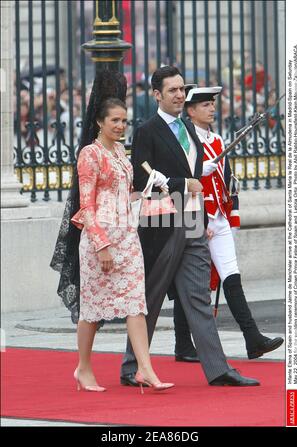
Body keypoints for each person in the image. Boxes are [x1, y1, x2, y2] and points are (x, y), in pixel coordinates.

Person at [120, 65, 260, 387]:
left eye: (182, 89)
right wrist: (182, 183)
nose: (180, 95)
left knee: (198, 295)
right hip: (161, 222)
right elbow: (140, 181)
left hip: (193, 218)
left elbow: (198, 174)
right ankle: (131, 366)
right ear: (157, 95)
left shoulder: (188, 127)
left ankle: (218, 369)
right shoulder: (147, 130)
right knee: (151, 298)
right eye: (173, 90)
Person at [50, 70, 174, 393]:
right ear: (100, 122)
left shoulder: (121, 153)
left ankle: (145, 369)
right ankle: (83, 368)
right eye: (115, 121)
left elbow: (124, 194)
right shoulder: (89, 155)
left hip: (127, 236)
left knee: (136, 302)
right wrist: (101, 244)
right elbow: (87, 205)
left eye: (124, 121)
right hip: (99, 239)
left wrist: (149, 192)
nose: (121, 126)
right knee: (92, 309)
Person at [171, 86, 283, 362]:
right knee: (190, 282)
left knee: (232, 278)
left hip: (219, 218)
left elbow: (229, 183)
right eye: (205, 104)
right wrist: (198, 172)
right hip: (197, 218)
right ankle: (183, 343)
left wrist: (232, 219)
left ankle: (252, 338)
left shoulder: (218, 141)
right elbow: (177, 182)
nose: (211, 108)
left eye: (212, 104)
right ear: (190, 110)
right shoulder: (184, 140)